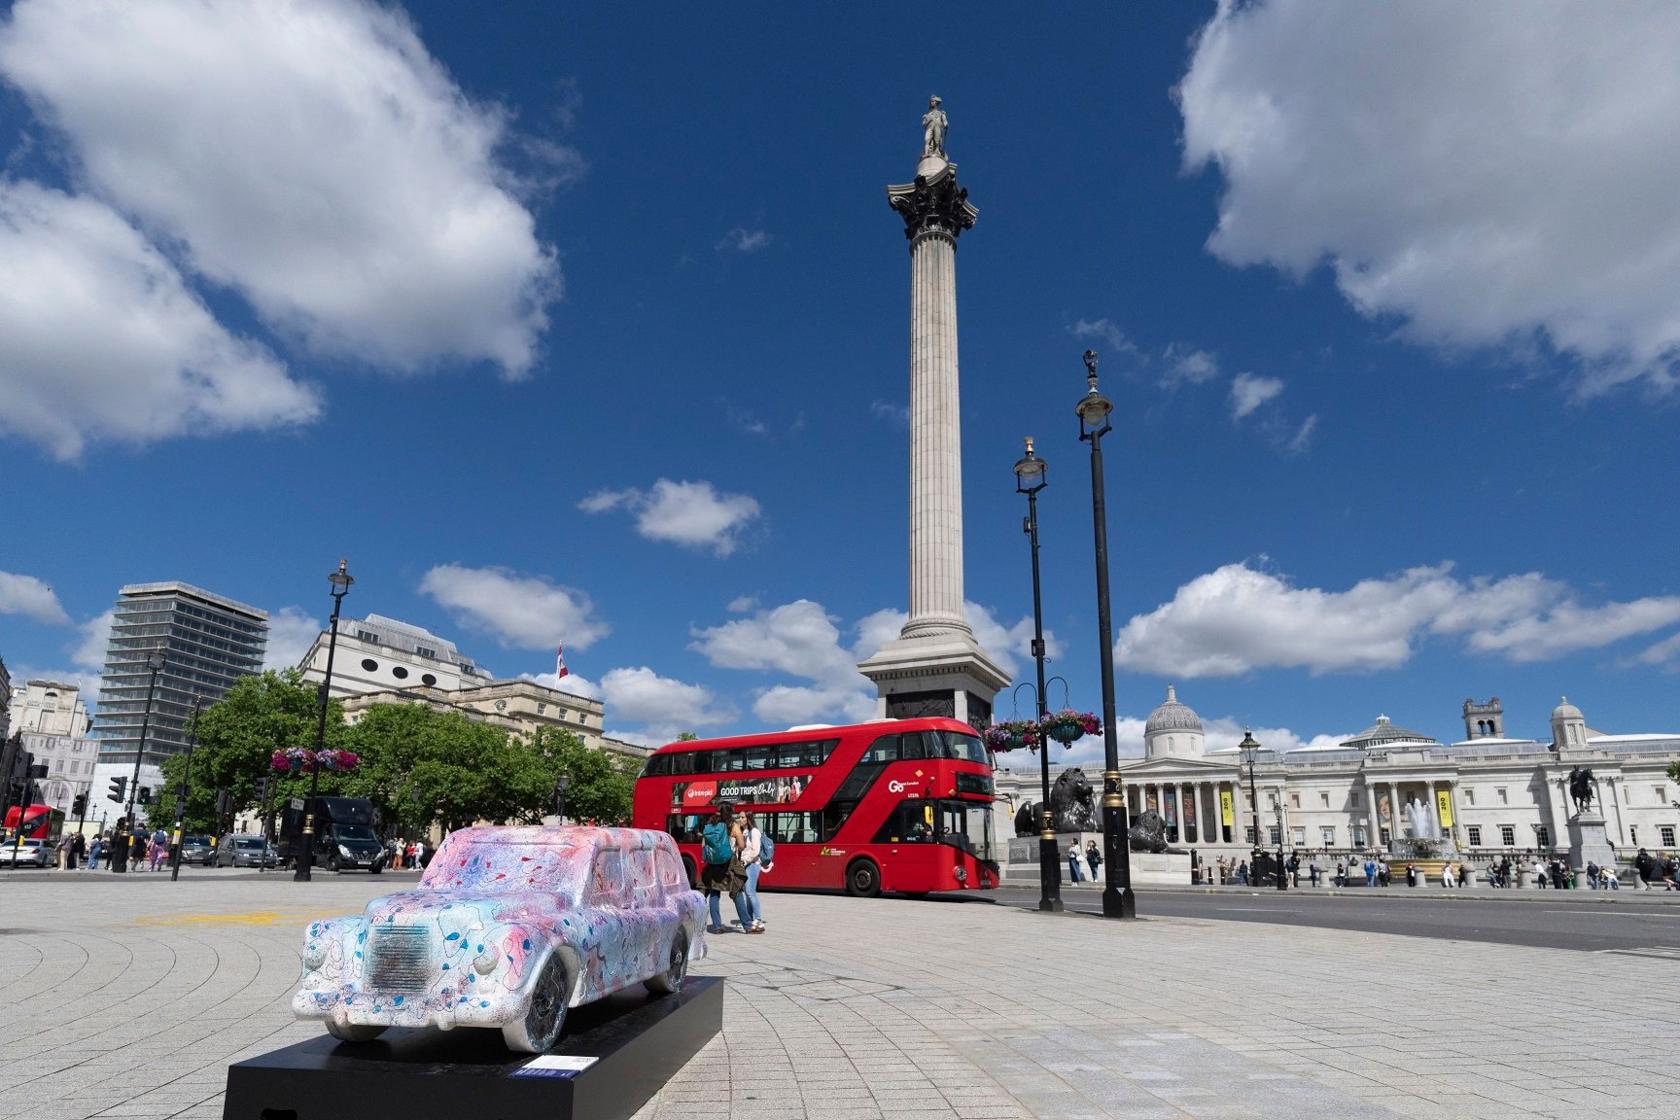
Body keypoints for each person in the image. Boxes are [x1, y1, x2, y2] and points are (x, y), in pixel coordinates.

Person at [699, 810, 734, 933]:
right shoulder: (724, 827)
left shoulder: (707, 829)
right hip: (724, 861)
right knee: (735, 890)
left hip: (712, 863)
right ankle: (746, 922)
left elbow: (703, 848)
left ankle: (717, 925)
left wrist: (705, 858)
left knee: (714, 894)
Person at [740, 811, 766, 934]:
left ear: (748, 818)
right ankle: (749, 919)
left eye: (742, 817)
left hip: (753, 865)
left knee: (751, 892)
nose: (740, 819)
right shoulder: (745, 832)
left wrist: (745, 860)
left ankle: (758, 919)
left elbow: (755, 851)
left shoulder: (754, 832)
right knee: (747, 892)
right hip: (746, 864)